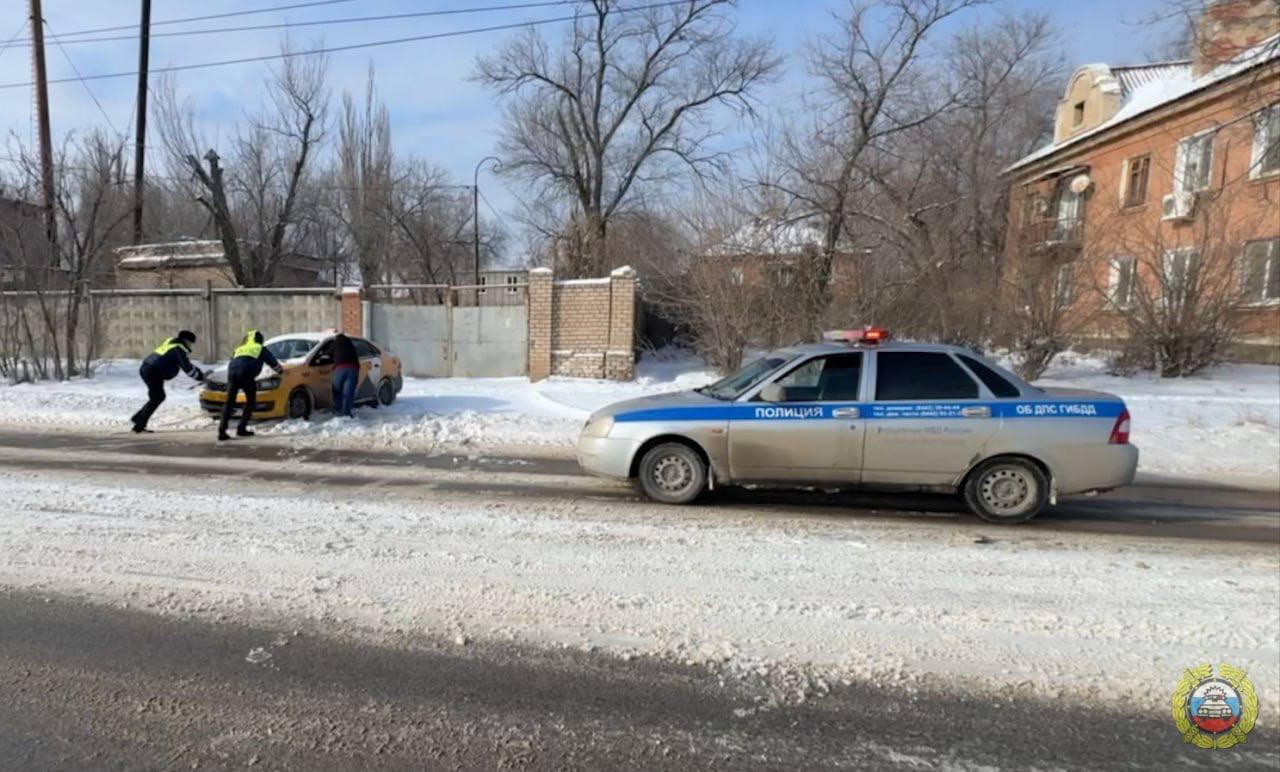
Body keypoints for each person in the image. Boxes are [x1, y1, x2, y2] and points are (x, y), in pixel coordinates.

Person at [131, 330, 205, 433]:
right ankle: (139, 422)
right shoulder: (178, 349)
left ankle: (138, 420)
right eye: (190, 343)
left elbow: (185, 364)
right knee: (158, 397)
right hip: (153, 372)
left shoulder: (171, 343)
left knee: (156, 397)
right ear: (186, 340)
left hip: (149, 369)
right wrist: (202, 377)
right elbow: (187, 368)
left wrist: (199, 373)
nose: (191, 345)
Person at [218, 329, 283, 442]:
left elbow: (232, 361)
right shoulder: (260, 348)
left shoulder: (239, 348)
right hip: (246, 374)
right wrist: (281, 371)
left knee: (229, 402)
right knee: (250, 401)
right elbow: (273, 362)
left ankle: (222, 430)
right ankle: (241, 428)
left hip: (232, 374)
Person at [331, 333, 360, 418]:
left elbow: (328, 354)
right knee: (348, 392)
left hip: (340, 369)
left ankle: (339, 410)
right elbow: (356, 358)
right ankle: (346, 413)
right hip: (352, 369)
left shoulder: (335, 345)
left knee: (337, 390)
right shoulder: (351, 345)